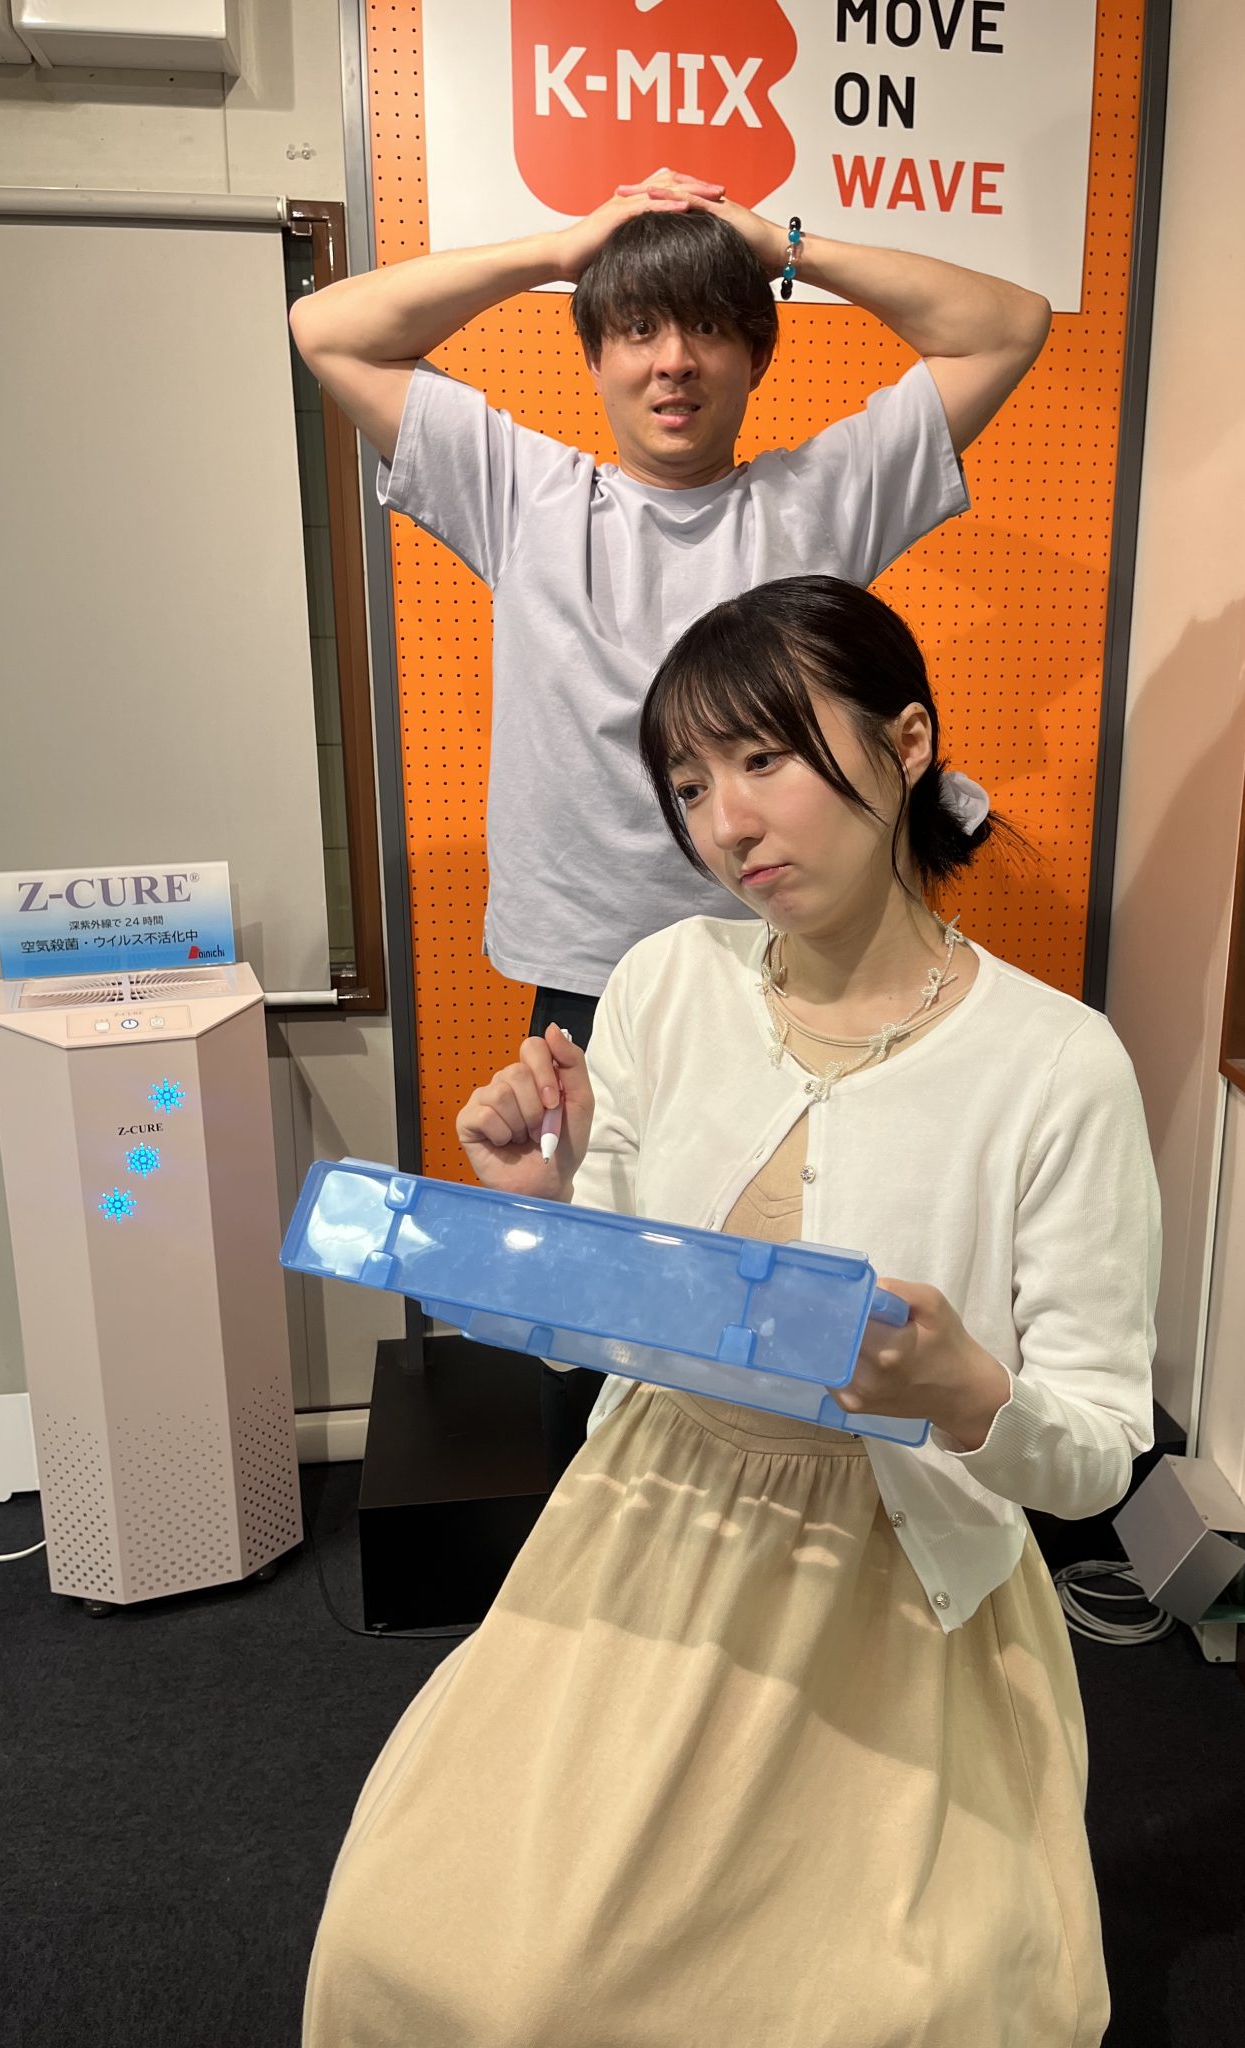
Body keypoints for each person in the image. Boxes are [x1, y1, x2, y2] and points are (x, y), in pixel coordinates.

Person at [302, 576, 1162, 2048]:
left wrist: (969, 1395)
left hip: (897, 1580)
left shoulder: (1058, 1065)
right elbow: (605, 1314)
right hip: (652, 1513)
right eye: (692, 785)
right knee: (453, 1947)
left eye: (766, 759)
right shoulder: (665, 983)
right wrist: (549, 1204)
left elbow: (1095, 1457)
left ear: (906, 745)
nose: (726, 824)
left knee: (889, 2004)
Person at [291, 168, 1052, 1475]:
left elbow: (1007, 324)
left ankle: (802, 1549)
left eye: (707, 326)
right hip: (593, 992)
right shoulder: (523, 493)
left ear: (757, 353)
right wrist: (570, 247)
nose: (673, 361)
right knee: (584, 1319)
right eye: (636, 329)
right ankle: (604, 1561)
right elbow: (330, 328)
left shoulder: (820, 498)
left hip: (796, 981)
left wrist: (776, 243)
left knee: (799, 1296)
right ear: (593, 355)